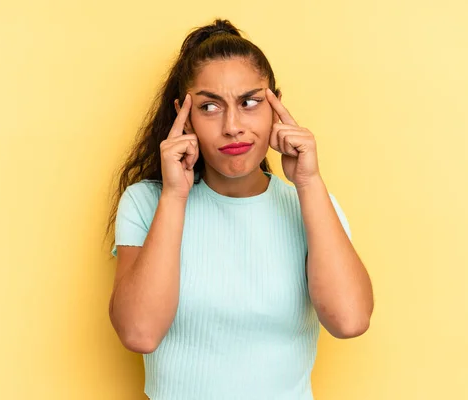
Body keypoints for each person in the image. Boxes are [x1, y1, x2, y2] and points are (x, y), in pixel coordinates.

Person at [106, 18, 374, 400]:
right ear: (184, 115)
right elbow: (139, 333)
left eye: (250, 103)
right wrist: (175, 197)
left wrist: (309, 184)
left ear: (276, 108)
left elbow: (349, 320)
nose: (233, 126)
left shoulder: (312, 204)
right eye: (210, 106)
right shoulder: (147, 202)